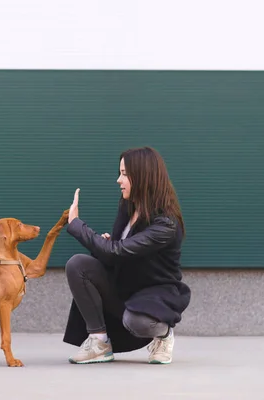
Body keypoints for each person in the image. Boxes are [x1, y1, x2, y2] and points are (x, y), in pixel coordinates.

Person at [62, 146, 191, 364]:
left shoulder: (165, 223)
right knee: (78, 264)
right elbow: (118, 253)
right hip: (125, 287)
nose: (118, 180)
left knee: (137, 321)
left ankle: (163, 334)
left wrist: (76, 225)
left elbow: (118, 252)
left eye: (124, 174)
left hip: (153, 297)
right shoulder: (128, 206)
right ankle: (99, 341)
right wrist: (107, 244)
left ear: (142, 176)